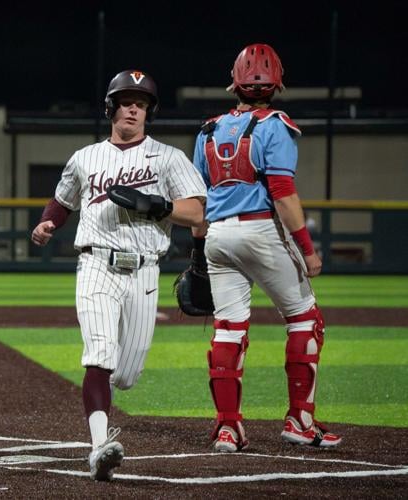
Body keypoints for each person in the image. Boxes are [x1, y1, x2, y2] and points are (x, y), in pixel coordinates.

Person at [31, 70, 206, 481]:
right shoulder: (86, 157)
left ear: (149, 112)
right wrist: (47, 224)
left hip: (144, 270)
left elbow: (197, 213)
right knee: (100, 354)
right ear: (111, 107)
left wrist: (155, 205)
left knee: (125, 375)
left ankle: (105, 421)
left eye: (141, 103)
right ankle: (99, 447)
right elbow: (62, 200)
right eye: (126, 101)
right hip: (95, 263)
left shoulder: (168, 158)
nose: (133, 108)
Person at [190, 43, 341, 452]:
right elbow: (283, 193)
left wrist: (198, 248)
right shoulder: (276, 125)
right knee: (305, 321)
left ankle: (228, 428)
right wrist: (308, 250)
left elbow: (198, 199)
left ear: (234, 82)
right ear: (278, 82)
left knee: (228, 328)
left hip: (218, 236)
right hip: (260, 232)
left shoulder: (208, 129)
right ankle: (300, 422)